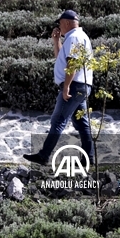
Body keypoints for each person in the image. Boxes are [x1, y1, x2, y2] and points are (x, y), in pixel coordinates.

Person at [23, 10, 95, 166]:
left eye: (60, 23)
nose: (59, 27)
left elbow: (73, 63)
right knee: (81, 123)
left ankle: (44, 155)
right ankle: (89, 158)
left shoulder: (74, 37)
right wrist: (56, 41)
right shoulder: (77, 37)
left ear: (67, 23)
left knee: (58, 121)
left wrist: (67, 86)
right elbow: (61, 59)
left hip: (75, 86)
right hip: (81, 86)